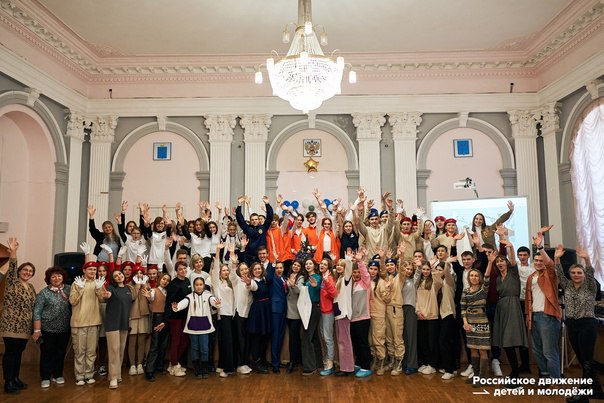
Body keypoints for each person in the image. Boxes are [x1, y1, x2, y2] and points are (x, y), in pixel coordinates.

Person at [554, 245, 603, 402]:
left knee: (587, 360)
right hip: (572, 324)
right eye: (573, 273)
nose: (576, 275)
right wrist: (556, 258)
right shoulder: (567, 285)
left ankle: (583, 393)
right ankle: (596, 389)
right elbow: (559, 273)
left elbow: (590, 273)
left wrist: (587, 259)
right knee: (583, 360)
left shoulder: (590, 286)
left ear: (583, 274)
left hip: (587, 324)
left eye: (579, 273)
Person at [0, 237, 36, 395]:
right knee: (10, 354)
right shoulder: (13, 281)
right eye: (25, 270)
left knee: (18, 353)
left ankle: (15, 378)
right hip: (10, 324)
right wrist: (14, 251)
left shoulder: (31, 287)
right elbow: (12, 266)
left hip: (24, 326)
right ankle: (8, 382)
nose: (27, 273)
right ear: (19, 272)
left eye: (30, 271)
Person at [526, 226, 562, 379]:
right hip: (534, 317)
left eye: (541, 260)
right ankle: (545, 376)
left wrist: (540, 247)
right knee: (537, 351)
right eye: (536, 260)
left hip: (547, 316)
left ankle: (556, 381)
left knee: (549, 351)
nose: (539, 262)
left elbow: (549, 264)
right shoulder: (531, 276)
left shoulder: (550, 275)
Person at [491, 239, 528, 387]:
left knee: (510, 340)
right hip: (502, 307)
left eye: (502, 260)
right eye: (498, 261)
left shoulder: (513, 273)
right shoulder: (499, 278)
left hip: (513, 306)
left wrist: (510, 246)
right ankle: (514, 372)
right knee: (505, 342)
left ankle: (515, 374)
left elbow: (513, 259)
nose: (500, 263)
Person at [69, 245, 107, 386]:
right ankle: (79, 375)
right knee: (80, 352)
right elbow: (72, 301)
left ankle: (89, 374)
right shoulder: (77, 283)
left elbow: (103, 299)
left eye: (95, 269)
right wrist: (79, 287)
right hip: (79, 323)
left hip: (94, 322)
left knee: (91, 352)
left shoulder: (98, 283)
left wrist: (99, 288)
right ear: (84, 270)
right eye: (90, 269)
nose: (93, 271)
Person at [172, 277, 220, 379]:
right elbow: (183, 303)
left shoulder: (208, 295)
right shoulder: (189, 296)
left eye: (200, 284)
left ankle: (204, 369)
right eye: (197, 285)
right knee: (194, 348)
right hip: (193, 326)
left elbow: (213, 301)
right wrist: (177, 307)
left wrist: (216, 302)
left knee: (204, 349)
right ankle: (197, 370)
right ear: (194, 286)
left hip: (205, 327)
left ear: (203, 285)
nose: (199, 286)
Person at [32, 266, 72, 389]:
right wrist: (37, 330)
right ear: (49, 278)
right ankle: (45, 377)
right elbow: (37, 311)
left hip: (64, 328)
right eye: (53, 276)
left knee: (60, 352)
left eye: (59, 276)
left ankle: (58, 374)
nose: (56, 278)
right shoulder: (44, 292)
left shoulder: (69, 289)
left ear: (63, 277)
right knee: (47, 352)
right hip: (47, 329)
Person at [461, 249, 494, 386]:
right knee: (473, 349)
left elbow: (487, 276)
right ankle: (475, 375)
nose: (474, 277)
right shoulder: (466, 291)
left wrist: (491, 262)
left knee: (482, 350)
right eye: (471, 276)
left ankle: (483, 377)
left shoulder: (483, 289)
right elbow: (463, 308)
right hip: (470, 323)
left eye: (476, 276)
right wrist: (465, 323)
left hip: (482, 323)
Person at [101, 269, 134, 389]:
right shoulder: (111, 288)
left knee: (120, 350)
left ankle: (116, 374)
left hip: (124, 323)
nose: (119, 276)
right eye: (116, 276)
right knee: (114, 351)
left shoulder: (128, 289)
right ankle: (113, 378)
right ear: (113, 279)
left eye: (120, 274)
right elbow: (107, 295)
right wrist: (105, 293)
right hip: (112, 323)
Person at [164, 261, 192, 377]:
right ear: (176, 271)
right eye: (180, 269)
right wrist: (167, 317)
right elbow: (169, 303)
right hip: (175, 318)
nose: (183, 271)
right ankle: (174, 366)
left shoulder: (187, 281)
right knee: (176, 341)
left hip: (186, 316)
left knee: (185, 341)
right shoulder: (172, 285)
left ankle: (173, 362)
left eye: (185, 268)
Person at [143, 272, 171, 381]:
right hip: (157, 317)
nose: (165, 281)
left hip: (166, 318)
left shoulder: (168, 292)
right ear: (160, 279)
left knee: (163, 344)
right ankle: (149, 370)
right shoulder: (154, 290)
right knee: (155, 344)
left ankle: (159, 366)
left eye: (168, 280)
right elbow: (150, 299)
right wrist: (149, 298)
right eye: (164, 279)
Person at [236, 195, 273, 264]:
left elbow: (270, 217)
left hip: (260, 258)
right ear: (250, 221)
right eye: (252, 220)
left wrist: (267, 204)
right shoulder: (247, 228)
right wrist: (239, 205)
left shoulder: (263, 227)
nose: (254, 221)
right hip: (248, 258)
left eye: (256, 219)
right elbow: (240, 219)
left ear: (259, 220)